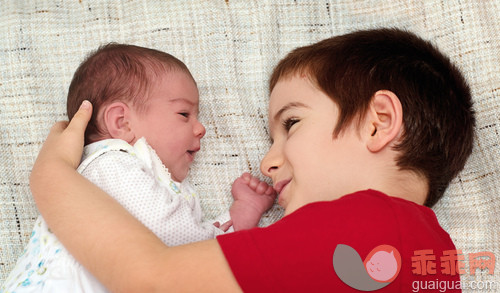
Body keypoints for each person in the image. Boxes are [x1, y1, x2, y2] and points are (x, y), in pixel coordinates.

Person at [28, 28, 475, 292]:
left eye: (293, 123)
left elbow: (151, 279)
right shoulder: (432, 258)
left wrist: (52, 176)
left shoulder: (366, 229)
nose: (267, 161)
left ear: (378, 122)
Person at [2, 44, 275, 292]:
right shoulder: (110, 161)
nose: (201, 128)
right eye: (184, 114)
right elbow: (173, 237)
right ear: (122, 122)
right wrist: (232, 227)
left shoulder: (151, 178)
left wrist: (239, 214)